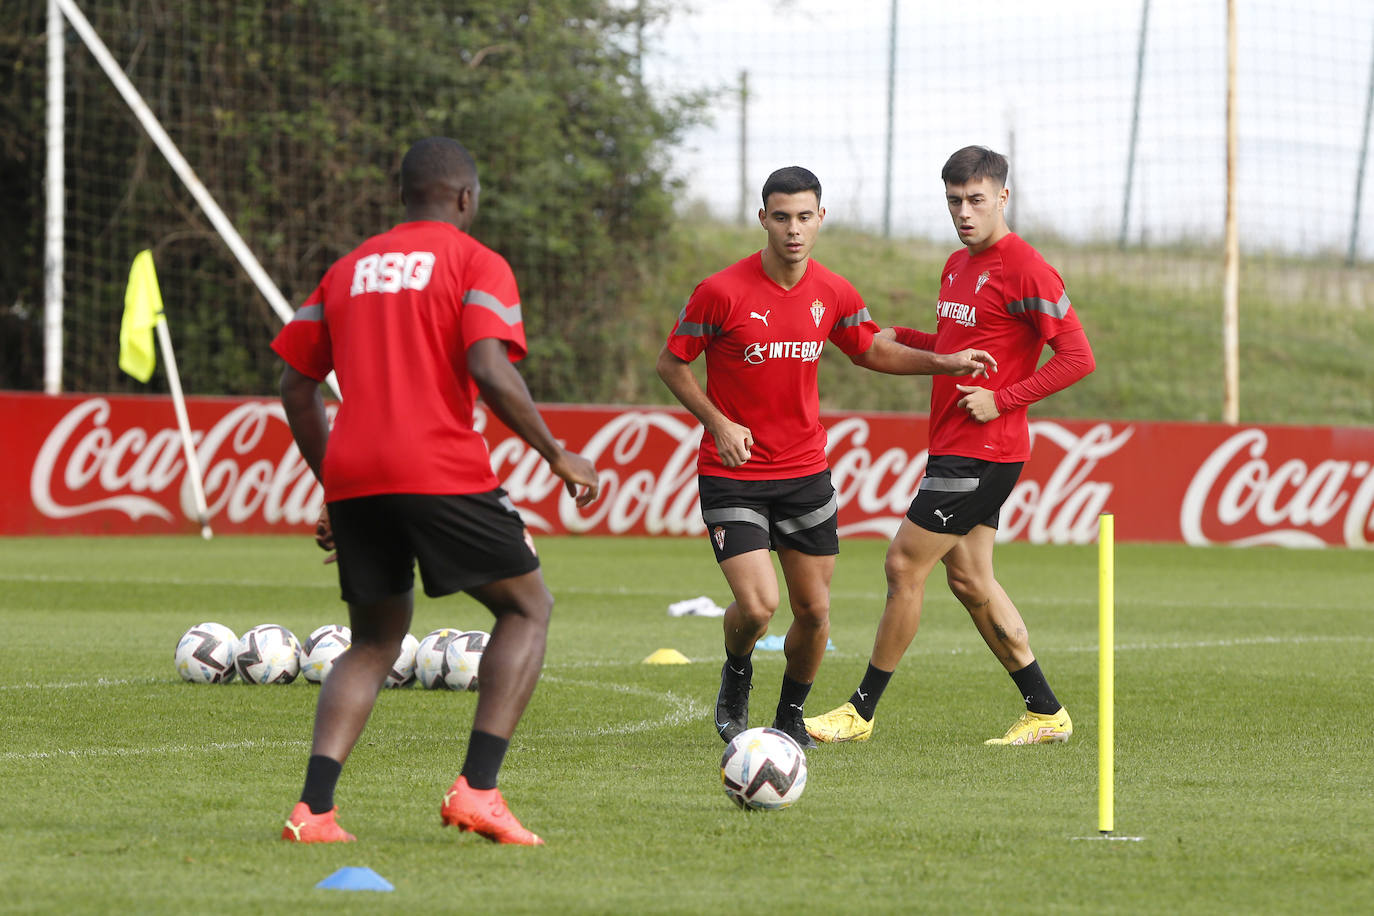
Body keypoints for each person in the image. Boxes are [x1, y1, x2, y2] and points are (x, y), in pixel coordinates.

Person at [271, 137, 600, 846]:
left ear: (403, 196)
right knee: (527, 607)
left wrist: (334, 485)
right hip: (438, 467)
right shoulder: (476, 262)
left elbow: (296, 385)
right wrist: (555, 452)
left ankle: (314, 810)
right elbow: (487, 365)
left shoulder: (349, 269)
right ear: (464, 198)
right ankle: (478, 791)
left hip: (357, 473)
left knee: (372, 642)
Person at [655, 166, 996, 750]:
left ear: (820, 220)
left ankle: (789, 717)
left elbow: (868, 351)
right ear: (763, 219)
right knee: (759, 607)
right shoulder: (720, 292)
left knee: (813, 613)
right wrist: (717, 421)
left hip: (806, 473)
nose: (793, 229)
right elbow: (671, 363)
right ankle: (736, 671)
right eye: (782, 217)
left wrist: (943, 361)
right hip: (733, 472)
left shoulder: (833, 292)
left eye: (805, 217)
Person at [804, 145, 1096, 746]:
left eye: (976, 200)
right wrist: (902, 336)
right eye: (953, 201)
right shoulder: (957, 264)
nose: (964, 212)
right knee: (970, 582)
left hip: (985, 450)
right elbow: (956, 339)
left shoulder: (1028, 268)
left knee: (903, 563)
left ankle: (859, 712)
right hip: (954, 445)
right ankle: (1045, 711)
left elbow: (1077, 357)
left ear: (1003, 198)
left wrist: (1004, 398)